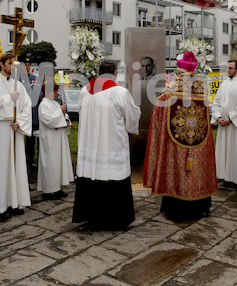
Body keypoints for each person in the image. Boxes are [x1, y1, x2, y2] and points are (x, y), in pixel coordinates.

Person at [144, 51, 218, 220]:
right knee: (196, 171)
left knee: (177, 170)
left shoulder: (171, 88)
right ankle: (201, 207)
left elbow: (159, 112)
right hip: (199, 141)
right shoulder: (203, 88)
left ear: (179, 71)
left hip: (175, 142)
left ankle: (176, 208)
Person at [72, 59, 141, 230]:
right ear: (115, 73)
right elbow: (132, 117)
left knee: (91, 176)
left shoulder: (84, 91)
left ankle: (91, 216)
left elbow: (81, 113)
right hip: (112, 144)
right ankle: (115, 219)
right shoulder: (119, 92)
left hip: (90, 146)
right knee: (113, 177)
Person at [0, 53, 32, 217]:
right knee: (0, 166)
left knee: (15, 165)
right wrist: (7, 98)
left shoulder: (19, 85)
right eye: (11, 64)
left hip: (14, 129)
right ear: (1, 64)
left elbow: (26, 107)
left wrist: (20, 122)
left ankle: (14, 202)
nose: (14, 67)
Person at [211, 59, 237, 190]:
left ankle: (235, 180)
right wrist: (218, 116)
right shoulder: (224, 84)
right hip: (223, 124)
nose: (228, 70)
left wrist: (230, 118)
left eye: (231, 68)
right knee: (224, 152)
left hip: (235, 126)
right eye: (227, 68)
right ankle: (225, 178)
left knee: (235, 152)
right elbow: (216, 102)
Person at [37, 80, 74, 199]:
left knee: (58, 163)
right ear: (47, 91)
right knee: (50, 164)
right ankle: (47, 191)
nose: (57, 93)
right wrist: (61, 111)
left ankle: (57, 188)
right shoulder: (43, 105)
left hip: (58, 138)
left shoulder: (54, 103)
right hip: (50, 139)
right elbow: (48, 120)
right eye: (55, 91)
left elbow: (64, 116)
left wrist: (67, 120)